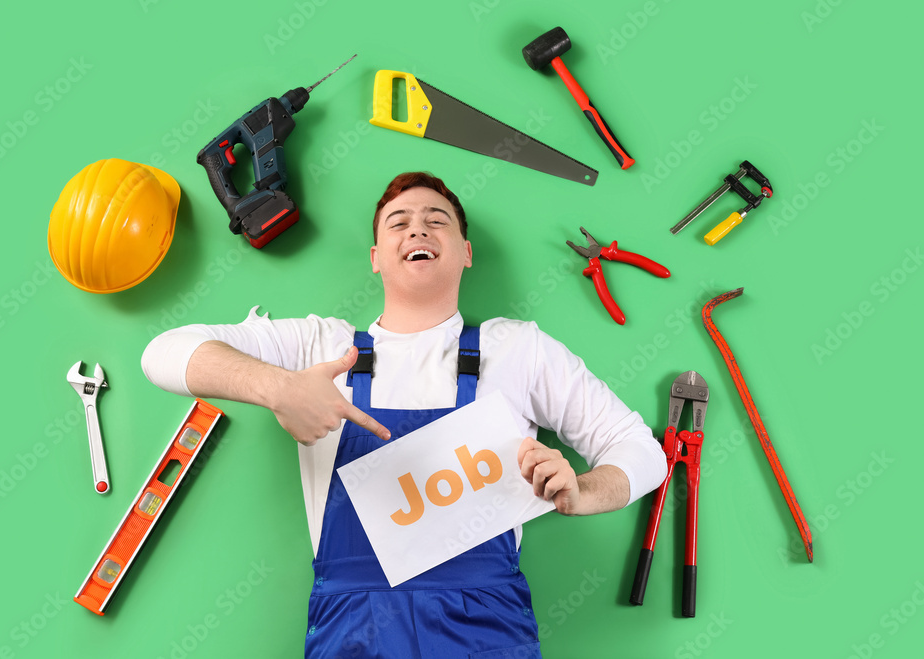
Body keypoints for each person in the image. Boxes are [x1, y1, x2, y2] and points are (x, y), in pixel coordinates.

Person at [141, 171, 666, 658]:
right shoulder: (320, 346)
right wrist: (280, 389)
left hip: (486, 629)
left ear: (465, 252)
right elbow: (163, 353)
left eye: (437, 221)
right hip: (353, 628)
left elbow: (643, 451)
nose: (418, 228)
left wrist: (583, 492)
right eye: (400, 222)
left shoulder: (517, 349)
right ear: (375, 256)